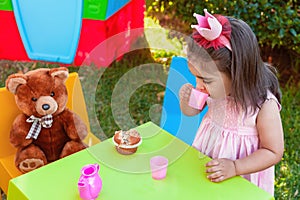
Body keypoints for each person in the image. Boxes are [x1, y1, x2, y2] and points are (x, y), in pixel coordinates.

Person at [179, 9, 284, 195]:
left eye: (206, 79)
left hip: (243, 176)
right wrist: (186, 101)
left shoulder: (263, 105)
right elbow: (191, 111)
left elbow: (273, 151)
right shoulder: (212, 91)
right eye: (196, 77)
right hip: (208, 165)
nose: (199, 85)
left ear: (237, 73)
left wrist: (235, 167)